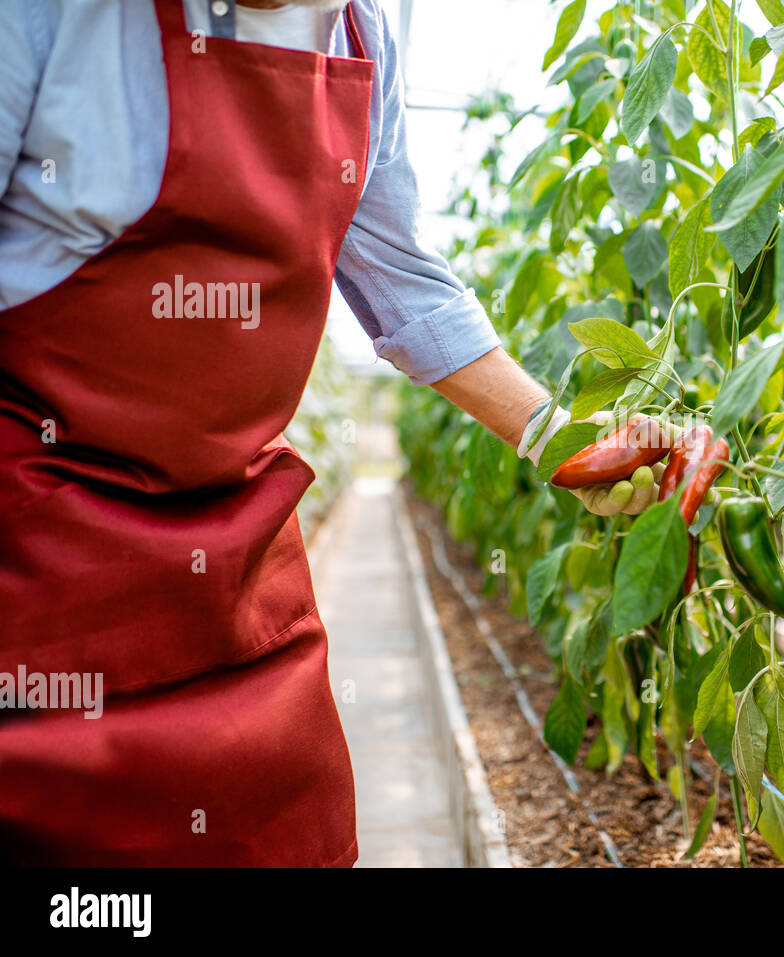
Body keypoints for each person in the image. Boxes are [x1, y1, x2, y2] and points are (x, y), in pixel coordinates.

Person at [0, 0, 642, 866]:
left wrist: (555, 437)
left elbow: (407, 286)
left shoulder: (358, 38)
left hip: (234, 564)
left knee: (283, 829)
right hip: (40, 569)